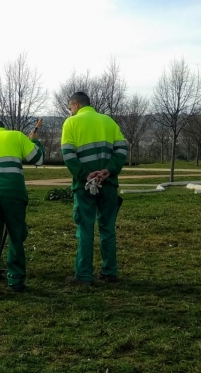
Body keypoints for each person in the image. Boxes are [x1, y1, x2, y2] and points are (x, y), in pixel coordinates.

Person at [61, 92, 128, 286]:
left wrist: (85, 175)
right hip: (108, 184)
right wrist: (108, 170)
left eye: (69, 107)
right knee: (107, 229)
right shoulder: (109, 121)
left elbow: (68, 155)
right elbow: (122, 149)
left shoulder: (70, 123)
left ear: (75, 104)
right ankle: (110, 272)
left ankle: (83, 275)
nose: (70, 111)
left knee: (85, 229)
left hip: (84, 187)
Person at [0, 119, 44, 294]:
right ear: (3, 127)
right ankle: (16, 280)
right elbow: (39, 159)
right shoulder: (17, 136)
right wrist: (34, 140)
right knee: (16, 238)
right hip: (15, 195)